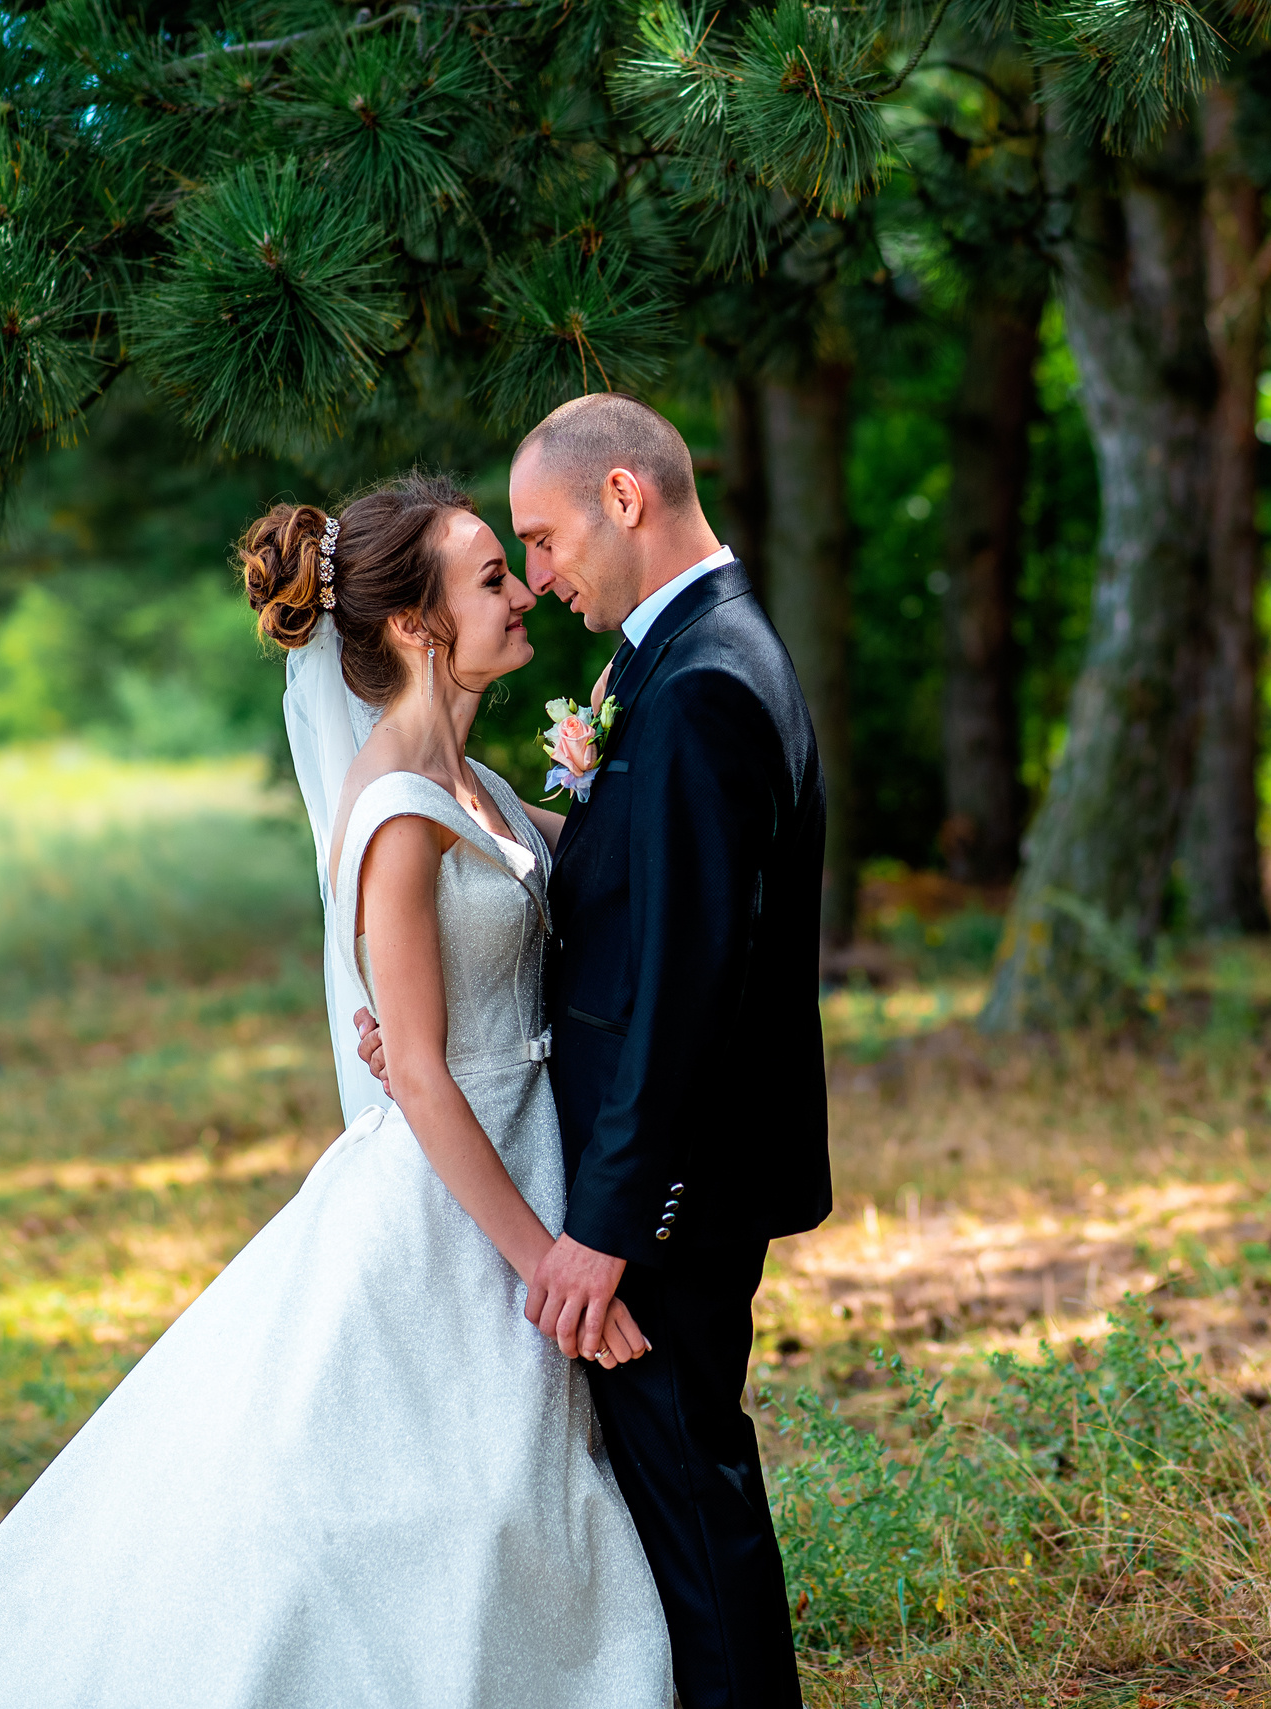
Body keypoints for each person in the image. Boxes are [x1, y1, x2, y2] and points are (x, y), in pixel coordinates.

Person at [0, 473, 675, 1708]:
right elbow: (431, 1083)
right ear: (414, 625)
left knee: (507, 1489)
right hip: (461, 1200)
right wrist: (543, 1263)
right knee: (429, 1498)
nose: (523, 591)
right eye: (491, 577)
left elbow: (594, 886)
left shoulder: (483, 789)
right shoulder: (398, 812)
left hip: (531, 1150)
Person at [358, 392, 831, 1709]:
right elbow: (619, 898)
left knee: (694, 1502)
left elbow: (688, 982)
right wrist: (426, 999)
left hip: (667, 1186)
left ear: (624, 498)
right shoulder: (660, 662)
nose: (542, 577)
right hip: (641, 1162)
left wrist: (609, 1224)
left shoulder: (707, 685)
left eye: (545, 540)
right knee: (674, 1501)